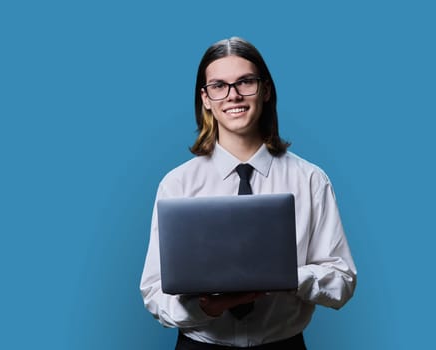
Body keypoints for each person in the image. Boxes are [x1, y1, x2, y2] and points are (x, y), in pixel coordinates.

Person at [140, 36, 357, 349]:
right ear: (205, 98)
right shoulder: (177, 184)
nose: (233, 95)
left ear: (266, 90)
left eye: (246, 82)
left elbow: (343, 281)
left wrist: (290, 277)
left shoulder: (311, 180)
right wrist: (206, 307)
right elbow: (154, 290)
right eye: (219, 85)